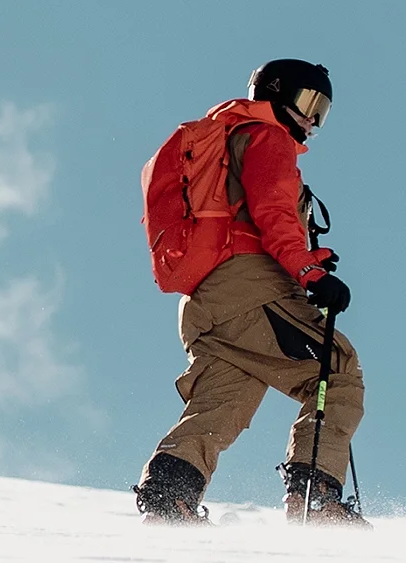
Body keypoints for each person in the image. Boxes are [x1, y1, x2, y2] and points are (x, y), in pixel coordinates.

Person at [132, 59, 369, 527]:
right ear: (275, 93)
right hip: (251, 292)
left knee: (224, 403)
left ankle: (168, 497)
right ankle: (315, 499)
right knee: (336, 369)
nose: (311, 119)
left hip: (208, 304)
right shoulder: (267, 137)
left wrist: (308, 262)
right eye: (306, 102)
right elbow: (273, 212)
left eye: (321, 110)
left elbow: (248, 216)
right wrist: (309, 273)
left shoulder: (230, 138)